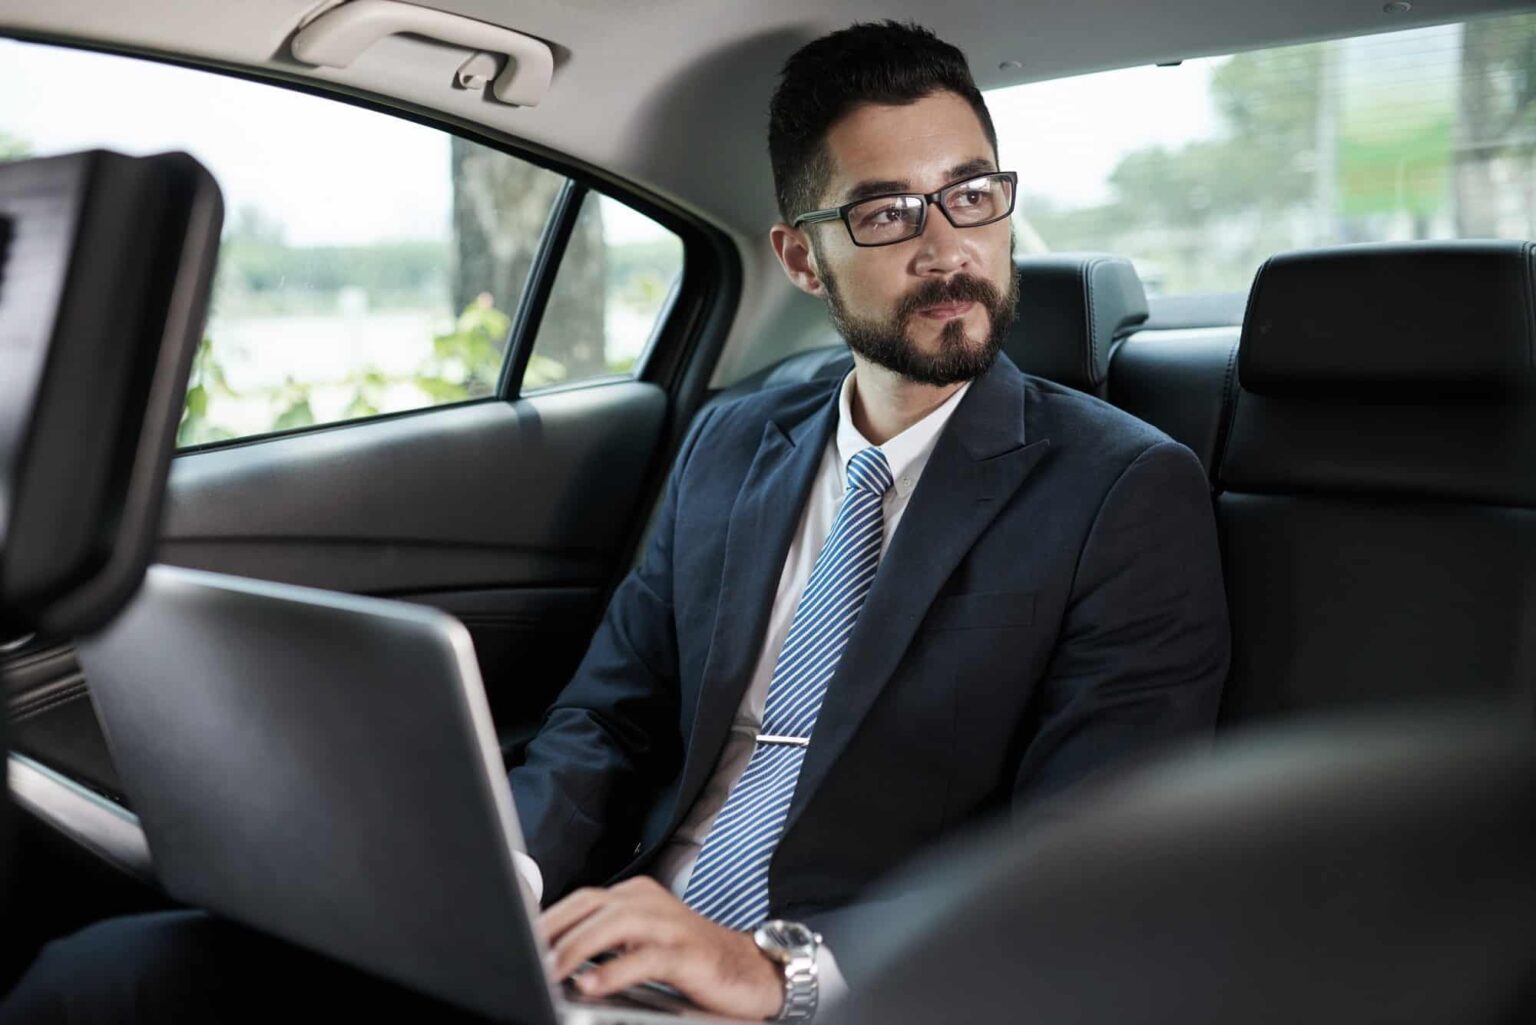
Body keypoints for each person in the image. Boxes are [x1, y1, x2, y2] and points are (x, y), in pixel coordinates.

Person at [0, 20, 1228, 1025]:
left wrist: (775, 968)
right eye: (886, 213)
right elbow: (611, 713)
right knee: (100, 979)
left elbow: (1086, 869)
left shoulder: (1122, 489)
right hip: (599, 948)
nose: (948, 247)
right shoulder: (735, 440)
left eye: (971, 194)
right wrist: (501, 881)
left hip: (845, 990)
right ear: (801, 259)